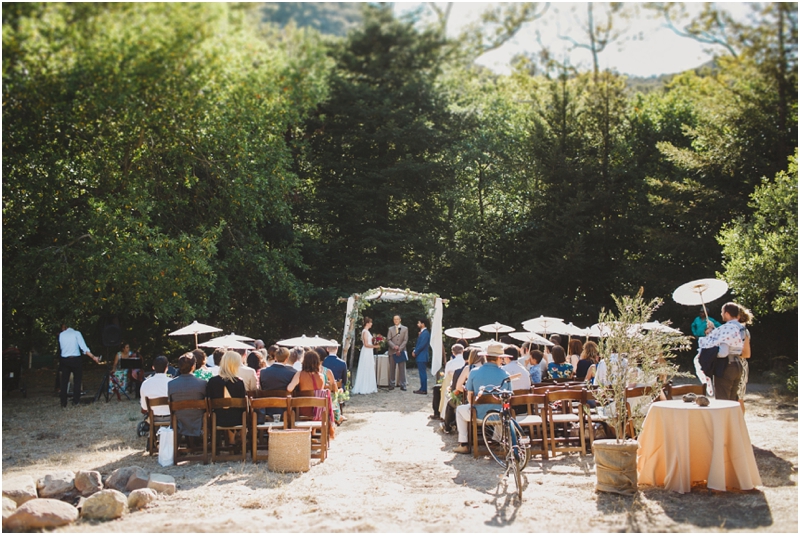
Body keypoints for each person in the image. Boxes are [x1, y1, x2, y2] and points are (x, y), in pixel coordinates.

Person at [453, 343, 511, 454]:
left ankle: (463, 443)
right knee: (503, 407)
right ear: (499, 358)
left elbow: (470, 398)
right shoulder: (505, 374)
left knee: (460, 410)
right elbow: (509, 397)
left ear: (486, 356)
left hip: (478, 414)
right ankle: (496, 440)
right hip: (498, 415)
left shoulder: (474, 372)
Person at [698, 302, 746, 401]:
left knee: (723, 401)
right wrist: (714, 331)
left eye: (722, 312)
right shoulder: (741, 328)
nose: (721, 314)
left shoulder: (727, 328)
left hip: (726, 366)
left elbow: (723, 352)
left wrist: (710, 353)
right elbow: (729, 340)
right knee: (733, 401)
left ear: (727, 314)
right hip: (738, 365)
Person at [287, 350, 335, 440]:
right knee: (317, 403)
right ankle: (312, 434)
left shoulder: (300, 374)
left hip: (304, 410)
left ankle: (305, 436)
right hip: (319, 412)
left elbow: (289, 388)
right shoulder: (321, 376)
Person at [207, 351, 247, 447]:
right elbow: (244, 405)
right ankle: (239, 441)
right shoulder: (239, 382)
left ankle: (230, 441)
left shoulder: (212, 382)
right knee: (238, 412)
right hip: (238, 420)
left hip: (217, 419)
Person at [167, 353, 208, 440]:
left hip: (179, 421)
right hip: (198, 420)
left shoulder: (171, 384)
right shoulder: (202, 383)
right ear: (193, 367)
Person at [58, 323, 100, 407]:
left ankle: (63, 402)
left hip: (64, 359)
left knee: (64, 382)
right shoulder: (76, 333)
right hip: (75, 359)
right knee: (77, 381)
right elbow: (84, 348)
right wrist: (93, 357)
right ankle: (75, 401)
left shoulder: (61, 335)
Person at [352, 317, 379, 395]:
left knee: (369, 367)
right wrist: (375, 347)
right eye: (370, 322)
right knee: (366, 367)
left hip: (369, 351)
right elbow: (366, 344)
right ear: (367, 323)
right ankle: (364, 386)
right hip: (366, 351)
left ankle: (369, 386)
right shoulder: (365, 332)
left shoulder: (367, 331)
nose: (371, 324)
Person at [140, 356, 172, 422]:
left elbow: (144, 407)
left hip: (153, 418)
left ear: (153, 367)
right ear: (167, 368)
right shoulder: (172, 383)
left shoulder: (145, 383)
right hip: (171, 417)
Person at [734, 305, 753, 412]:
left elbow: (746, 353)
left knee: (739, 398)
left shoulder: (742, 330)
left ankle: (741, 424)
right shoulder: (732, 329)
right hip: (735, 365)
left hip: (740, 365)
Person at [386, 315, 409, 391]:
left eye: (397, 319)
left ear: (400, 320)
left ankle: (403, 384)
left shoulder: (405, 329)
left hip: (401, 351)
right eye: (394, 319)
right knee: (392, 368)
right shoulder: (390, 329)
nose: (396, 320)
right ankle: (391, 384)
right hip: (392, 351)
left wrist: (400, 348)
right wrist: (394, 346)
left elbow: (405, 340)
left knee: (402, 368)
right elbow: (388, 339)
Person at [412, 318, 431, 394]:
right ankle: (422, 388)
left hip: (422, 356)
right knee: (421, 373)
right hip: (421, 355)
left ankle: (423, 389)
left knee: (422, 373)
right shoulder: (423, 333)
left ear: (423, 324)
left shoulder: (425, 333)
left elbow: (422, 345)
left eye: (419, 323)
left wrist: (415, 352)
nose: (418, 324)